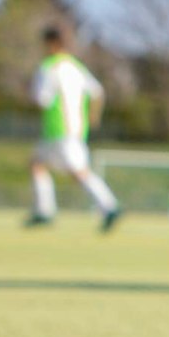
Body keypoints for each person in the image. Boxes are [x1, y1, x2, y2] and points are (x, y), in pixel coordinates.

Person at [26, 25, 122, 232]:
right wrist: (93, 115)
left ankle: (109, 206)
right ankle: (44, 210)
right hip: (75, 129)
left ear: (50, 43)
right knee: (37, 164)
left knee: (79, 172)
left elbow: (41, 99)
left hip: (58, 129)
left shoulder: (49, 67)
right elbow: (97, 92)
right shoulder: (76, 67)